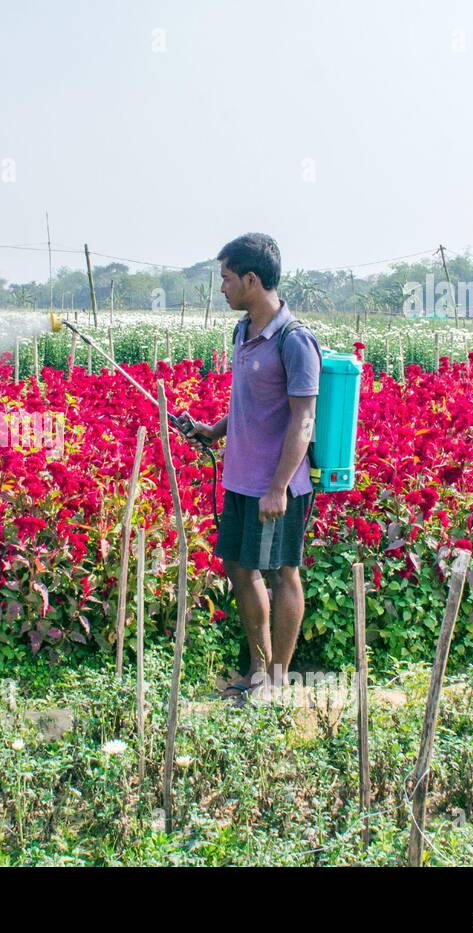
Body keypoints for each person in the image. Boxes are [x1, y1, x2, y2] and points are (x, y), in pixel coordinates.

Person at [178, 233, 322, 701]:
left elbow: (303, 420)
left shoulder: (294, 340)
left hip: (276, 486)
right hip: (241, 479)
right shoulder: (243, 332)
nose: (221, 288)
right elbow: (250, 405)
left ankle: (278, 681)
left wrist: (279, 487)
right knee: (240, 570)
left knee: (282, 572)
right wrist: (212, 431)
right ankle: (259, 672)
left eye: (225, 278)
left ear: (251, 279)